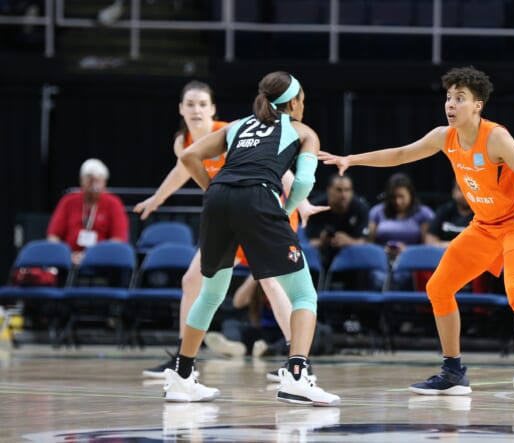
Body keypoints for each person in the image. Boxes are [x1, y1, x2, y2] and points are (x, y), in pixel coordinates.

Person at [319, 66, 514, 403]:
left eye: (460, 98)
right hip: (485, 225)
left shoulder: (496, 138)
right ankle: (453, 372)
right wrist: (351, 160)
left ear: (477, 106)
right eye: (448, 97)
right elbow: (401, 154)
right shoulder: (443, 137)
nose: (451, 104)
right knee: (438, 288)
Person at [135, 81, 325, 379]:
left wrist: (303, 204)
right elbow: (182, 169)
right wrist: (157, 199)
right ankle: (183, 359)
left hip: (263, 209)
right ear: (181, 109)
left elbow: (282, 166)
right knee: (193, 281)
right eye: (190, 104)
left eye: (202, 104)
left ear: (213, 109)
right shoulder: (183, 142)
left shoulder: (234, 128)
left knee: (270, 284)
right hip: (234, 210)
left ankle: (297, 358)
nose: (196, 110)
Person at [173, 70, 339, 406]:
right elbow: (304, 182)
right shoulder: (303, 131)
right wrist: (286, 210)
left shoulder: (237, 125)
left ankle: (181, 377)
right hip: (259, 198)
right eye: (303, 99)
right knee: (304, 294)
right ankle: (297, 375)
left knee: (211, 294)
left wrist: (214, 189)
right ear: (294, 102)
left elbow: (189, 156)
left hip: (218, 199)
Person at [47, 158, 129, 265]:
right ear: (81, 180)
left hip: (101, 260)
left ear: (104, 182)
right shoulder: (68, 201)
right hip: (69, 259)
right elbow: (53, 236)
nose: (93, 185)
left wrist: (91, 257)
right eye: (90, 180)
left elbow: (118, 239)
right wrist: (66, 256)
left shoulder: (113, 203)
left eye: (97, 181)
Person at [305, 173, 369, 270]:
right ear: (329, 190)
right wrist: (324, 241)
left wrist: (348, 241)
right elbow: (309, 242)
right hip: (322, 254)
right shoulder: (315, 208)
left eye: (347, 190)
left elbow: (364, 241)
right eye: (339, 190)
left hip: (352, 256)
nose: (344, 195)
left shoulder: (361, 208)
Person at [368, 172, 435, 260]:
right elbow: (369, 243)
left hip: (413, 260)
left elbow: (427, 246)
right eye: (393, 197)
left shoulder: (424, 213)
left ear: (410, 195)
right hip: (381, 259)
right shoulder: (376, 212)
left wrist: (407, 251)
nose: (397, 201)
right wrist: (382, 250)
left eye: (401, 197)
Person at [425, 182, 473, 248]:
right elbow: (430, 241)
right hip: (443, 252)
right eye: (461, 189)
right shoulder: (444, 210)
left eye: (470, 190)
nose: (465, 194)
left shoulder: (481, 214)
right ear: (453, 192)